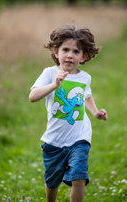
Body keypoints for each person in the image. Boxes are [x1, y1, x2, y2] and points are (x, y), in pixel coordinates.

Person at [29, 24, 108, 202]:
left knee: (79, 177)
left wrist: (95, 113)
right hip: (54, 140)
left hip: (80, 137)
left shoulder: (85, 77)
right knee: (52, 180)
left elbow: (86, 95)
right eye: (66, 49)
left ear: (84, 57)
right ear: (56, 52)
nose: (70, 55)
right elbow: (32, 96)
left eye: (76, 51)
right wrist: (54, 85)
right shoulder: (49, 74)